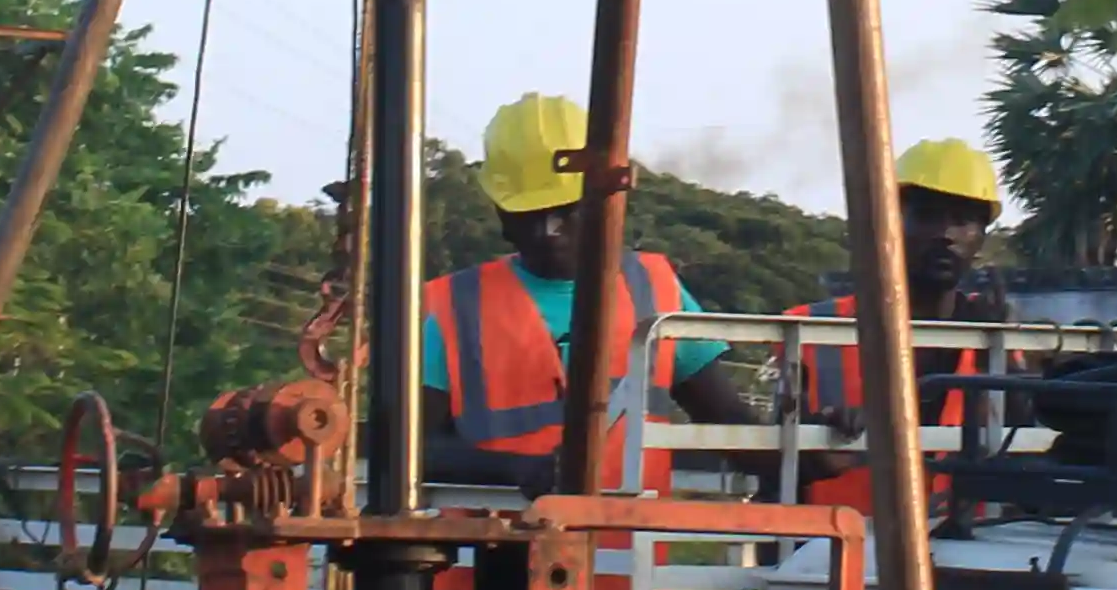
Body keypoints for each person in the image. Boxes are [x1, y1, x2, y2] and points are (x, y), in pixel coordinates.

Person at [416, 91, 755, 492]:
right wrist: (514, 470)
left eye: (564, 211)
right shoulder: (452, 307)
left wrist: (806, 457)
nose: (549, 231)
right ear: (500, 212)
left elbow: (729, 421)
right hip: (498, 532)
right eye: (530, 214)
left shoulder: (656, 288)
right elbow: (409, 450)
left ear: (602, 200)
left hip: (630, 533)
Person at [787, 135, 1008, 510]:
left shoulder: (997, 338)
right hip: (835, 540)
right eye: (927, 216)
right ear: (888, 221)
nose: (946, 235)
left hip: (970, 542)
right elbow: (771, 466)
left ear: (982, 237)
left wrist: (997, 357)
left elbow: (1026, 452)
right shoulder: (810, 329)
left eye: (962, 220)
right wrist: (820, 441)